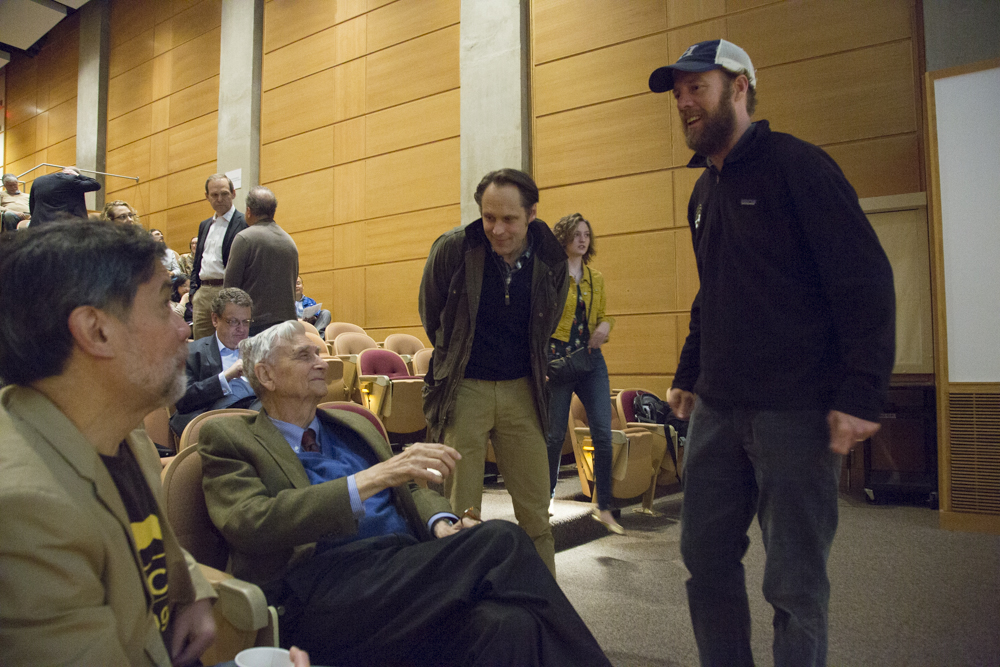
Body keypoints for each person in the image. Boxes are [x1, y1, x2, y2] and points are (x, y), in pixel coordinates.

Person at [649, 39, 896, 667]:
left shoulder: (799, 167)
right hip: (718, 410)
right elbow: (714, 292)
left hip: (796, 412)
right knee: (704, 562)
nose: (683, 102)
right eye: (676, 93)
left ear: (739, 87)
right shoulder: (702, 194)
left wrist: (861, 392)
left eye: (695, 88)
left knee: (793, 584)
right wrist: (688, 371)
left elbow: (864, 280)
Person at [198, 321, 612, 667]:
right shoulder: (229, 436)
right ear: (266, 375)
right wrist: (370, 480)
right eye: (304, 356)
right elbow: (250, 522)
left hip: (401, 565)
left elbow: (409, 484)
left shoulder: (351, 425)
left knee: (505, 625)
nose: (322, 362)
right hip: (322, 588)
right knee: (501, 539)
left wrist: (441, 520)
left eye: (320, 352)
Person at [0, 221, 218, 666]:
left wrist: (191, 589)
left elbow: (147, 540)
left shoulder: (124, 431)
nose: (183, 330)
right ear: (96, 331)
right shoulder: (25, 510)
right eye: (164, 306)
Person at [419, 168, 569, 575]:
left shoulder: (551, 259)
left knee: (537, 515)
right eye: (489, 218)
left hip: (523, 390)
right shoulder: (455, 249)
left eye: (509, 219)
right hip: (465, 389)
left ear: (532, 214)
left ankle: (544, 608)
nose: (497, 229)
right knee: (459, 513)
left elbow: (548, 318)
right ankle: (462, 608)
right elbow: (432, 314)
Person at [544, 213, 621, 534]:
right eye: (576, 234)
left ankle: (604, 506)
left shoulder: (595, 278)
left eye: (586, 234)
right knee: (553, 437)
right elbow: (540, 320)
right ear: (563, 238)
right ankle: (543, 501)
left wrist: (606, 325)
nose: (582, 239)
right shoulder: (551, 277)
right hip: (560, 362)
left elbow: (604, 316)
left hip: (591, 362)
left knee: (603, 434)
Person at [170, 288, 259, 437]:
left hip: (260, 413)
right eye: (233, 322)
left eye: (246, 322)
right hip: (220, 421)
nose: (242, 329)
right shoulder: (191, 352)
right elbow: (183, 400)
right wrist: (226, 377)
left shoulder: (261, 347)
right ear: (215, 319)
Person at [224, 186, 298, 336]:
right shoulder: (289, 241)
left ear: (249, 211)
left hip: (254, 326)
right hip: (286, 327)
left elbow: (230, 289)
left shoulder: (244, 238)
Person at [190, 174, 247, 340]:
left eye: (224, 193)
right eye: (214, 195)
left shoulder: (243, 222)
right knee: (201, 344)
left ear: (233, 193)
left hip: (227, 290)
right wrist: (194, 291)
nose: (219, 199)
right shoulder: (205, 225)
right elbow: (198, 260)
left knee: (229, 341)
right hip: (203, 293)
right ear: (207, 196)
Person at [27, 166, 101, 225]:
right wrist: (78, 175)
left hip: (38, 227)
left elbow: (32, 205)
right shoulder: (71, 180)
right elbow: (96, 184)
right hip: (64, 229)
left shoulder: (39, 180)